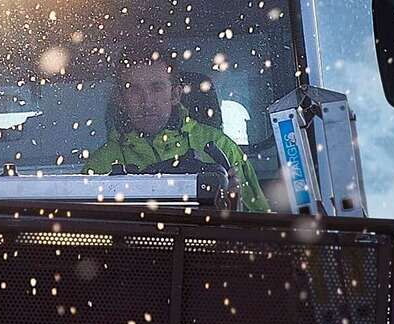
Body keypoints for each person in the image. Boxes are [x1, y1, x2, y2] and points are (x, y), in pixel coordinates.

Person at [86, 47, 265, 209]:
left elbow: (261, 230)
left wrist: (236, 209)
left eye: (156, 88)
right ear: (121, 99)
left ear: (175, 94)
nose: (147, 102)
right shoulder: (100, 165)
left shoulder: (221, 148)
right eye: (133, 90)